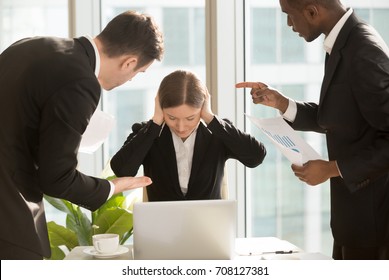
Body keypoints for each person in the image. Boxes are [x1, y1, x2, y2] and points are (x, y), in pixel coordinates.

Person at [0, 10, 164, 259]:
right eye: (137, 73)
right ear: (129, 62)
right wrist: (111, 187)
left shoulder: (30, 45)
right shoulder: (80, 82)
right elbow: (56, 178)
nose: (131, 79)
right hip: (8, 209)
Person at [236, 0, 389, 260]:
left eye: (289, 15)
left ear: (311, 12)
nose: (288, 24)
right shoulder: (343, 42)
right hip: (352, 221)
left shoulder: (362, 51)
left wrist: (331, 168)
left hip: (372, 226)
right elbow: (346, 116)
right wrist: (283, 103)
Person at [111, 70, 266, 201]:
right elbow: (122, 171)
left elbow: (256, 157)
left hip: (208, 229)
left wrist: (211, 119)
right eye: (172, 118)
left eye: (190, 118)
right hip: (162, 230)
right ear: (160, 108)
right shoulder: (147, 133)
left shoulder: (217, 133)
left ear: (202, 108)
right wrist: (155, 123)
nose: (181, 126)